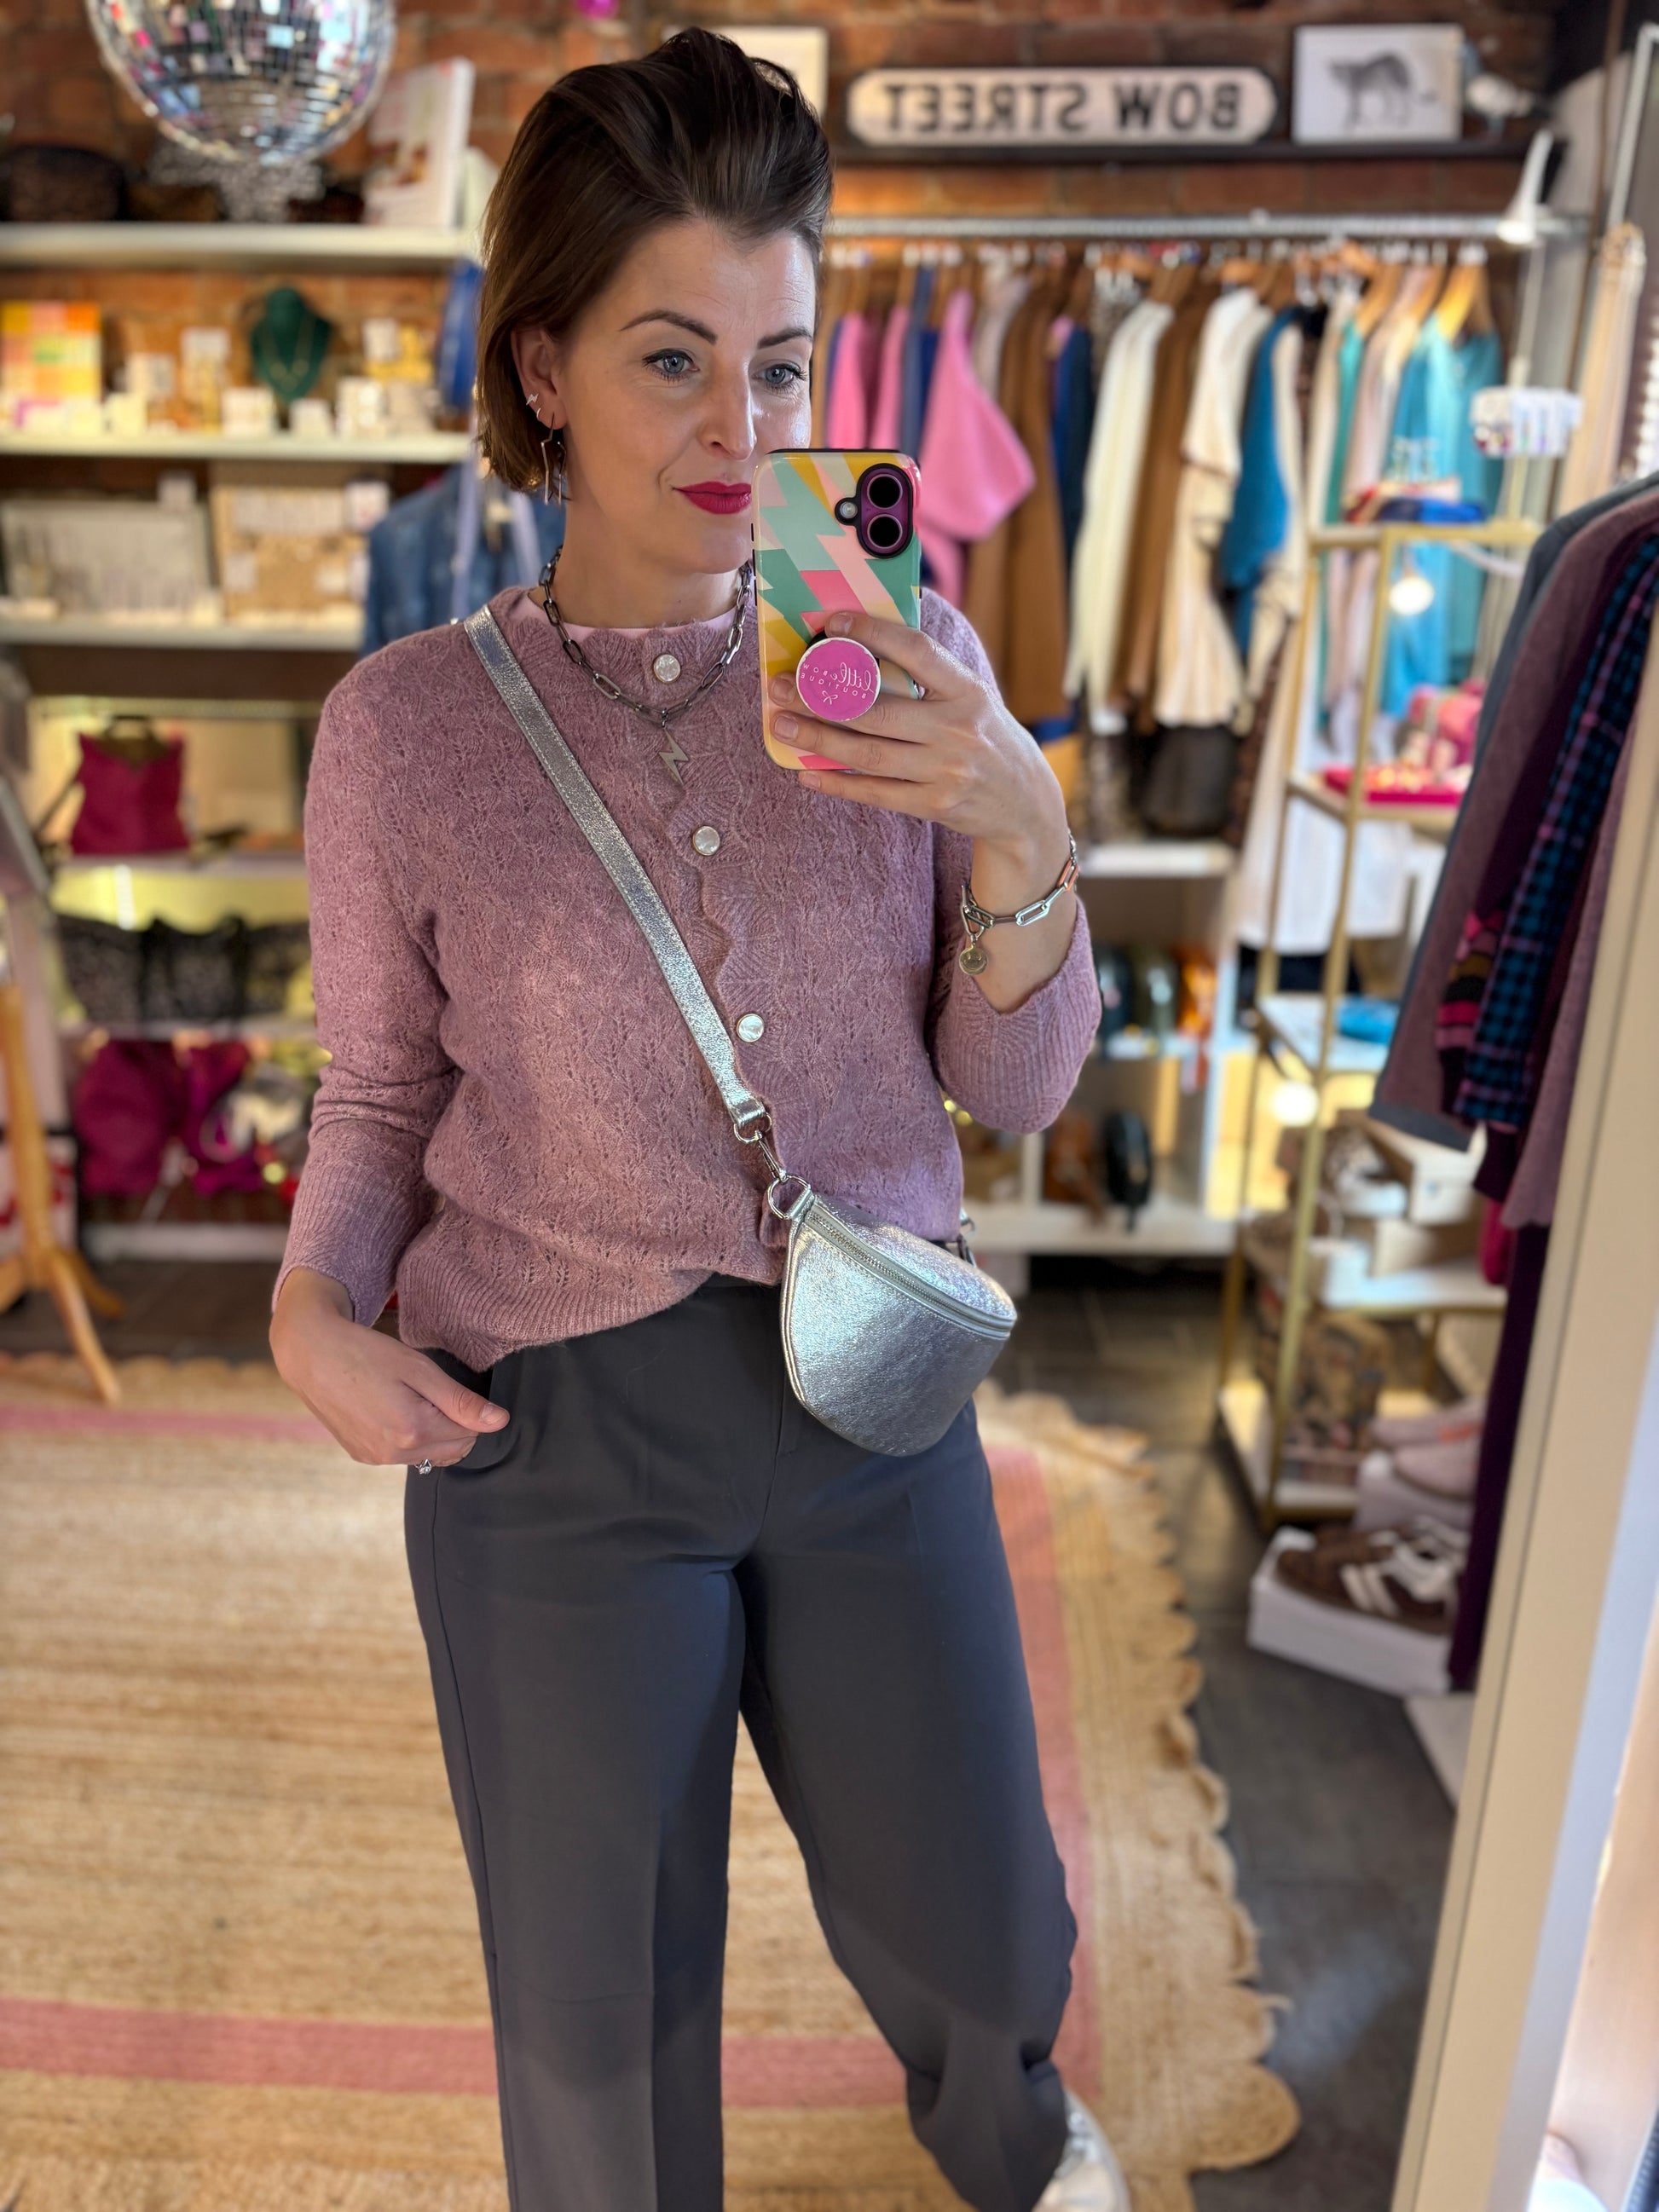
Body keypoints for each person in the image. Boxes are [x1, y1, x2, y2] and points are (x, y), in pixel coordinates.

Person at [269, 29, 1118, 2212]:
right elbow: (380, 1088)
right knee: (593, 2013)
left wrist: (1019, 825)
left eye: (782, 362)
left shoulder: (909, 664)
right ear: (539, 364)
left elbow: (1015, 1086)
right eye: (671, 359)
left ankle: (1035, 2165)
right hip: (550, 1431)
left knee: (981, 1935)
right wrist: (306, 1298)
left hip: (873, 1391)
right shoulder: (404, 732)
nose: (743, 432)